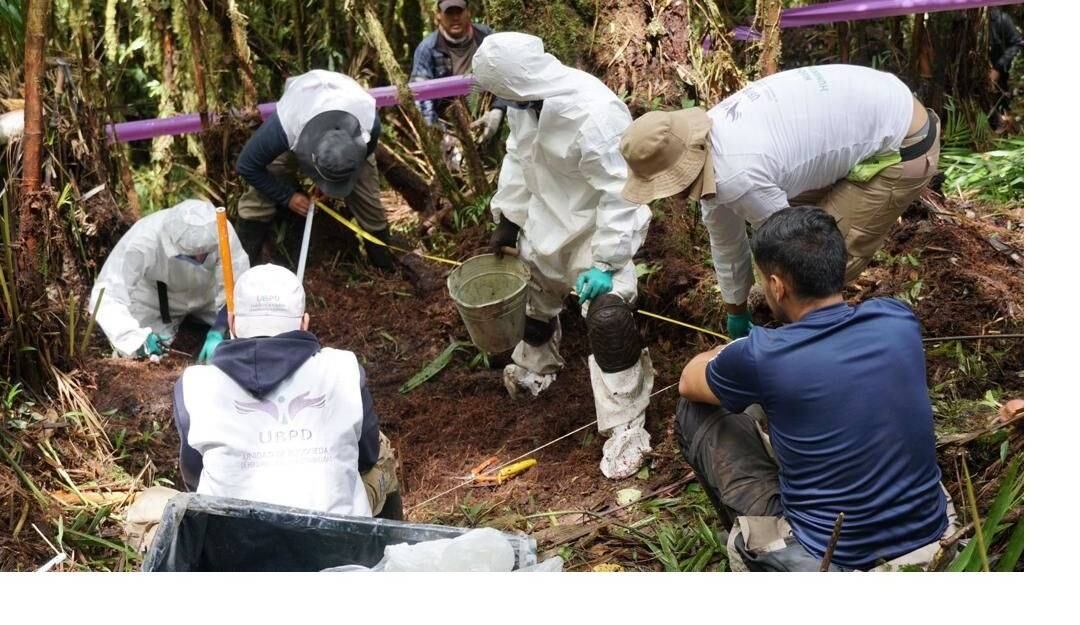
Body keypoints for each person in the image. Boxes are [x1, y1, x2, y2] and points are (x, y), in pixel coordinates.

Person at [675, 207, 957, 572]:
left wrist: (729, 350)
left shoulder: (761, 355)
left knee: (694, 409)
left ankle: (753, 539)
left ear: (777, 285)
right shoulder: (897, 318)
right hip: (929, 529)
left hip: (835, 552)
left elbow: (688, 381)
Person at [619, 64, 940, 339]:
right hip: (880, 103)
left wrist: (784, 311)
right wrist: (736, 311)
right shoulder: (708, 144)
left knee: (819, 263)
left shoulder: (738, 175)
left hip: (904, 143)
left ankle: (815, 344)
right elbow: (725, 239)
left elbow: (796, 249)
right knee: (787, 269)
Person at [472, 33, 654, 480]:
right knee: (531, 300)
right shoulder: (523, 104)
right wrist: (509, 219)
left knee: (608, 319)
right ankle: (538, 367)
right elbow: (518, 160)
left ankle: (626, 422)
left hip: (594, 235)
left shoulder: (594, 112)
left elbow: (622, 191)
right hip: (545, 226)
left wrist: (607, 262)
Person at [171, 264, 402, 520]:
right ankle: (389, 551)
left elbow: (193, 474)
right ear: (304, 323)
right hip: (338, 543)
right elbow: (366, 457)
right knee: (381, 448)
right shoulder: (343, 368)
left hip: (232, 549)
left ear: (232, 322)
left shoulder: (195, 384)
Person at [235, 69, 395, 271]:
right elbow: (246, 166)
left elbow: (357, 161)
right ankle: (240, 274)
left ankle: (386, 273)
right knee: (258, 199)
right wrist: (287, 197)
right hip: (302, 108)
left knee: (368, 202)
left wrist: (331, 183)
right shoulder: (286, 126)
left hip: (348, 129)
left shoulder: (369, 124)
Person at [90, 199, 249, 362]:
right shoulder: (145, 238)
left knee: (245, 333)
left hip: (208, 296)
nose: (200, 258)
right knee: (140, 354)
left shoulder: (221, 230)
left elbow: (237, 286)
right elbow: (107, 294)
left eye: (205, 253)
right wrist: (135, 340)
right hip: (156, 299)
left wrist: (220, 328)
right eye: (191, 255)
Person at [410, 0, 508, 143]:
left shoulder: (486, 38)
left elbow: (507, 74)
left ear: (468, 12)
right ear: (438, 15)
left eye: (459, 11)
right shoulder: (428, 49)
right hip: (450, 126)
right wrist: (439, 134)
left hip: (488, 113)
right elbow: (420, 96)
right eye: (449, 12)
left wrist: (498, 110)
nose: (455, 17)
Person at [989, 7, 1023, 130]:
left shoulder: (1001, 19)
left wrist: (998, 68)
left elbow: (1018, 43)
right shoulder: (963, 21)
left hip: (1003, 82)